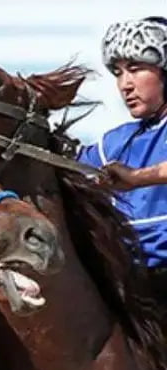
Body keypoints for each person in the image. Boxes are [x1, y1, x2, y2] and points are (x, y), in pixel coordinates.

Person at [77, 16, 167, 282]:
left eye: (136, 68)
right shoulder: (112, 144)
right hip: (134, 280)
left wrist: (138, 178)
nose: (125, 84)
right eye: (118, 73)